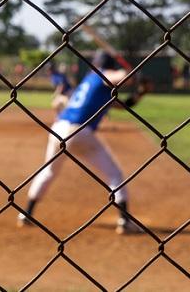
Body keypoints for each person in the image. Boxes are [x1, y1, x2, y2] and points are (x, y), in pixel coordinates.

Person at [17, 52, 149, 234]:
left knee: (49, 171)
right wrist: (132, 73)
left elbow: (123, 105)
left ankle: (27, 213)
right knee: (115, 174)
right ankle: (125, 221)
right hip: (79, 131)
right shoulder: (102, 75)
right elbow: (121, 77)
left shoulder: (90, 83)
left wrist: (140, 92)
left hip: (58, 129)